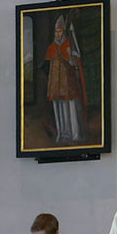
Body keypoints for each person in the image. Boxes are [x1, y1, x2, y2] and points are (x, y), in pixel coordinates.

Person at [46, 14, 85, 144]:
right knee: (59, 108)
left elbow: (75, 62)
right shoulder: (52, 47)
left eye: (60, 31)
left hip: (68, 84)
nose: (58, 34)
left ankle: (74, 134)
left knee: (71, 108)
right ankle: (62, 133)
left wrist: (70, 56)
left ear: (63, 32)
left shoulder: (68, 45)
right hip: (56, 86)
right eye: (56, 32)